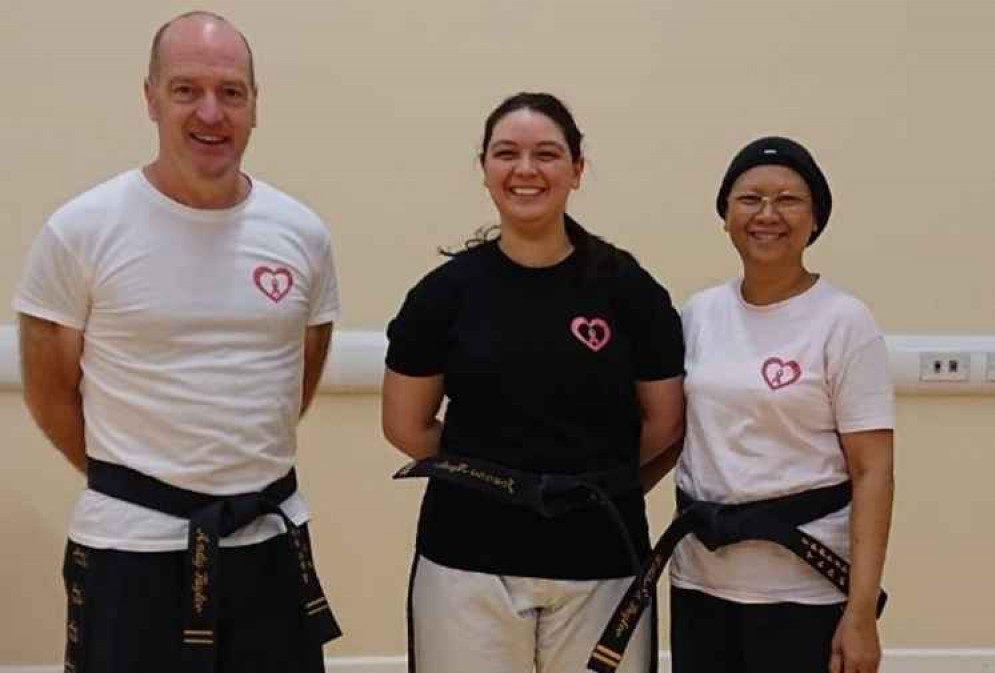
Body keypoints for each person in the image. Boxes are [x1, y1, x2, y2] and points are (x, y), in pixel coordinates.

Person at [15, 11, 341, 673]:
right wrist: (147, 479)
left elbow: (294, 377)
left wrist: (230, 473)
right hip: (130, 551)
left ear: (255, 106)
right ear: (151, 97)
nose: (211, 113)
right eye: (186, 89)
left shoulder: (301, 234)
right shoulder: (81, 230)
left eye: (231, 92)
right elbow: (50, 391)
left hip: (270, 545)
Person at [381, 92, 686, 673]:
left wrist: (592, 486)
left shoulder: (629, 290)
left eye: (547, 154)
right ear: (485, 169)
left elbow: (665, 423)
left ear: (577, 169)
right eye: (507, 154)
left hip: (602, 558)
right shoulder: (443, 295)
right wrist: (494, 481)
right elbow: (405, 423)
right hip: (465, 558)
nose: (526, 170)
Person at [668, 137, 895, 673]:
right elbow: (673, 433)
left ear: (815, 219)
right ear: (725, 214)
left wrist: (860, 614)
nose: (767, 215)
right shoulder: (698, 314)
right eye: (750, 198)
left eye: (788, 200)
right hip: (701, 581)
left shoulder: (844, 322)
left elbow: (874, 472)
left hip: (804, 590)